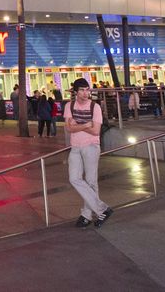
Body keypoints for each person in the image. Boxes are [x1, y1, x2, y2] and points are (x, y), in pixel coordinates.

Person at [64, 78, 112, 228]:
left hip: (91, 146)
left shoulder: (95, 107)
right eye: (82, 90)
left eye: (87, 90)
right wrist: (86, 124)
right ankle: (102, 209)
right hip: (75, 147)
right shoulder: (69, 106)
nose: (86, 93)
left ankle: (86, 215)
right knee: (74, 178)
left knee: (91, 182)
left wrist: (77, 125)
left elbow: (96, 130)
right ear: (75, 92)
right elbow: (69, 128)